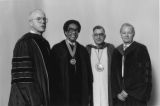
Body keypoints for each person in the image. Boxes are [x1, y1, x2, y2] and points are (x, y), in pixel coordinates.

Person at [8, 9, 50, 106]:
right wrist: (35, 100)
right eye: (38, 19)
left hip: (44, 96)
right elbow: (22, 79)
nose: (43, 22)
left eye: (44, 19)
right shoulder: (24, 43)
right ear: (30, 22)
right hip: (30, 100)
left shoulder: (45, 43)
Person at [50, 19, 93, 106]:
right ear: (65, 32)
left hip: (80, 93)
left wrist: (88, 94)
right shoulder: (57, 49)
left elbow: (88, 74)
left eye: (76, 30)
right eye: (70, 30)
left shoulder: (83, 50)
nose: (73, 32)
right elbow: (52, 75)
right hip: (63, 93)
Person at [111, 23, 152, 106]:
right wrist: (117, 93)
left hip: (135, 94)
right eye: (124, 33)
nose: (126, 35)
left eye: (129, 33)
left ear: (133, 34)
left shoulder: (140, 49)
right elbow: (113, 75)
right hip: (120, 94)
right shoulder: (116, 51)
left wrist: (128, 91)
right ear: (120, 34)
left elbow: (144, 74)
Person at [86, 25, 115, 106]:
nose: (98, 37)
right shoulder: (87, 50)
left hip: (107, 86)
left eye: (101, 34)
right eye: (96, 35)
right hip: (93, 86)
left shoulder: (110, 49)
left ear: (104, 36)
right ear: (93, 36)